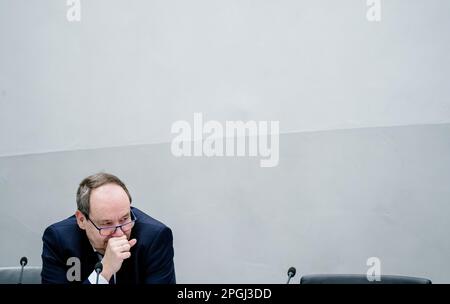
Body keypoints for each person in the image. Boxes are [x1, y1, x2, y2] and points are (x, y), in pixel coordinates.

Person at [41, 172, 176, 284]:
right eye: (106, 224)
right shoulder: (59, 240)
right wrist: (105, 271)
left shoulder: (154, 237)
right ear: (82, 220)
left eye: (125, 219)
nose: (119, 234)